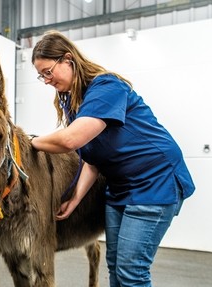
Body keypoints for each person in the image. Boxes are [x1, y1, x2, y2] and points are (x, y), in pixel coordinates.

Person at [30, 30, 195, 287]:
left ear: (67, 59)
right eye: (41, 76)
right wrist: (74, 199)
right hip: (120, 188)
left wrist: (26, 142)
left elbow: (70, 140)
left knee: (132, 271)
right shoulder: (76, 103)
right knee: (116, 267)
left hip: (155, 182)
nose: (46, 80)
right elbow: (92, 160)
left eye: (48, 71)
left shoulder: (107, 87)